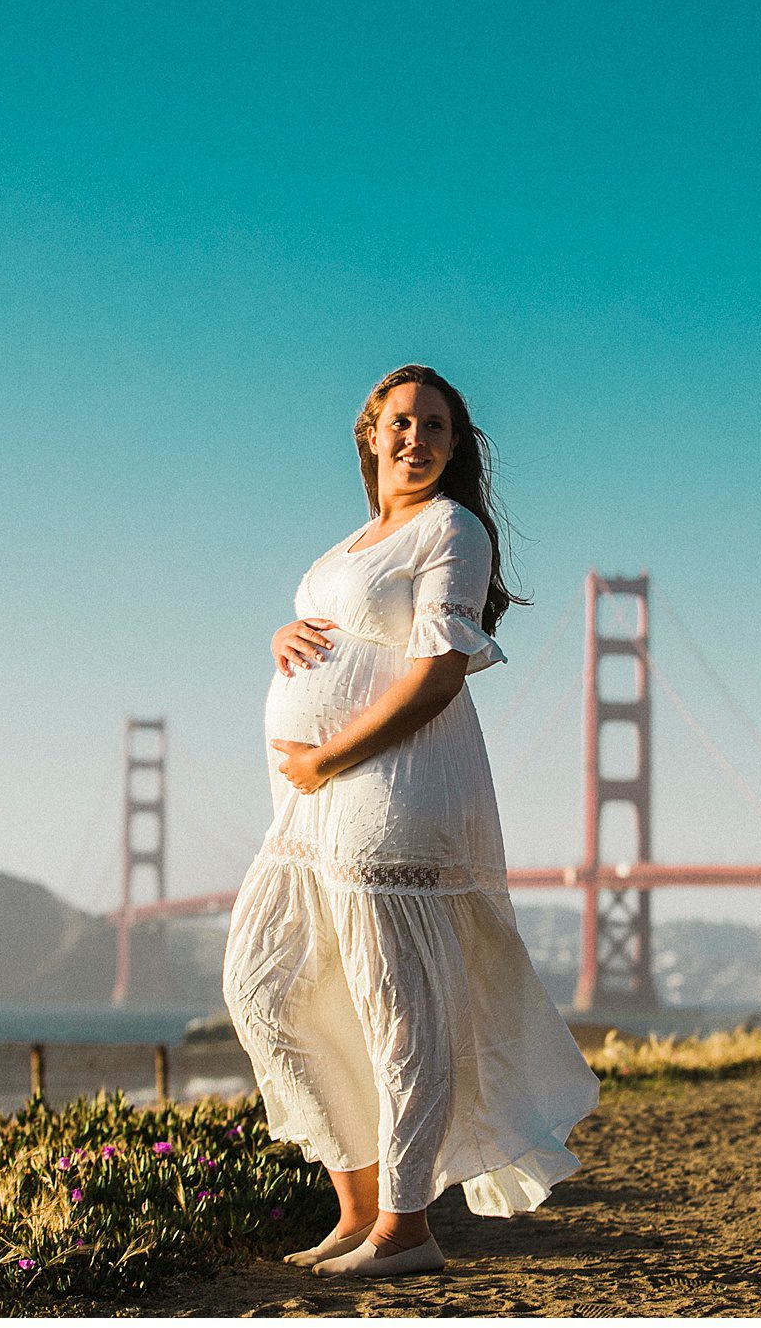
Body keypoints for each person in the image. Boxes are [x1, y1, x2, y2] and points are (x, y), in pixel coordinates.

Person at [222, 364, 601, 1280]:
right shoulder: (354, 541)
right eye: (400, 422)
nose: (417, 438)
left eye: (436, 425)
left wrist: (326, 755)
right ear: (370, 434)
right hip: (312, 802)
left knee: (400, 1011)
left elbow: (436, 675)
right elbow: (340, 626)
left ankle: (406, 1226)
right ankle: (358, 1209)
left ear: (455, 444)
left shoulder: (453, 528)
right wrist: (284, 634)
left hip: (393, 792)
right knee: (262, 986)